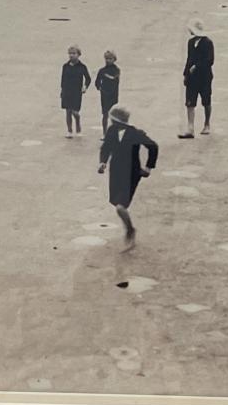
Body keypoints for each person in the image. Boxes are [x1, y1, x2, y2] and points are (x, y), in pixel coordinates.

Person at [97, 105, 160, 251]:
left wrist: (149, 167)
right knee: (115, 202)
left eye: (113, 119)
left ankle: (130, 230)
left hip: (131, 173)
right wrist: (103, 162)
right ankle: (129, 228)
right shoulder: (112, 131)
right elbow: (106, 147)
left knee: (120, 206)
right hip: (116, 171)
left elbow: (153, 146)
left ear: (119, 121)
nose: (111, 122)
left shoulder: (135, 133)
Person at [179, 18, 214, 138]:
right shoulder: (190, 43)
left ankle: (207, 123)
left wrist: (197, 67)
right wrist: (185, 74)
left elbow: (209, 60)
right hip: (192, 78)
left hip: (204, 77)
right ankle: (190, 128)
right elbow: (189, 59)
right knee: (190, 102)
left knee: (206, 101)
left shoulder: (207, 43)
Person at [60, 45, 91, 138]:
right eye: (70, 53)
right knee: (68, 112)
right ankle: (69, 130)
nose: (71, 55)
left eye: (74, 53)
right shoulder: (65, 66)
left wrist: (85, 87)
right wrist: (62, 90)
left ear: (78, 55)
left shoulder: (82, 67)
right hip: (67, 91)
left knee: (75, 112)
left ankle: (78, 126)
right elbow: (63, 79)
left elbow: (88, 78)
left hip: (77, 92)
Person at [95, 51, 121, 133]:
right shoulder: (102, 70)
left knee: (114, 114)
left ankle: (115, 131)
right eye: (106, 59)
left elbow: (114, 78)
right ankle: (104, 132)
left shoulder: (116, 70)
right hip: (104, 95)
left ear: (114, 59)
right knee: (105, 114)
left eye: (110, 59)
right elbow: (97, 81)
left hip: (113, 94)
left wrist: (107, 76)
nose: (108, 60)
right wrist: (99, 87)